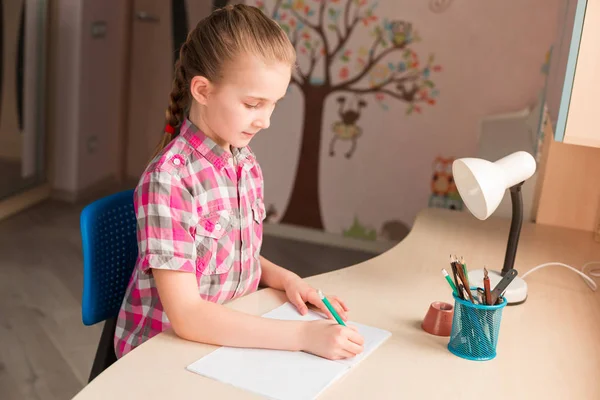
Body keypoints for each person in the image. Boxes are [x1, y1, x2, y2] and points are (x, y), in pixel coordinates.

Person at [114, 4, 364, 361]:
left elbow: (231, 256)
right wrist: (303, 335)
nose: (265, 121)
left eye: (273, 105)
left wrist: (287, 280)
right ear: (202, 89)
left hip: (225, 333)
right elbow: (186, 316)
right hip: (165, 353)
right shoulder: (169, 180)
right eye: (252, 104)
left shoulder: (243, 163)